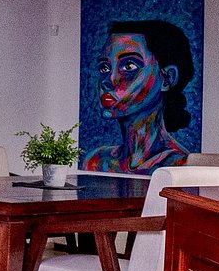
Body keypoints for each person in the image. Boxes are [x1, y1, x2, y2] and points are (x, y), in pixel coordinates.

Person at [83, 19, 195, 172]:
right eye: (104, 68)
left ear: (167, 79)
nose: (108, 80)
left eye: (129, 66)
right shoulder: (97, 162)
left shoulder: (179, 166)